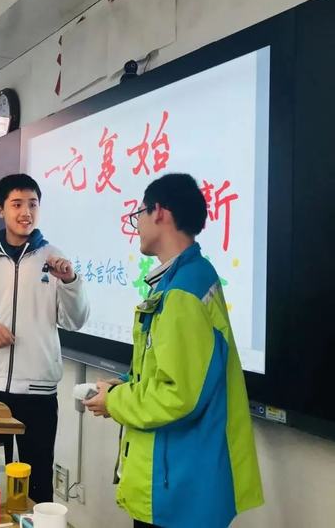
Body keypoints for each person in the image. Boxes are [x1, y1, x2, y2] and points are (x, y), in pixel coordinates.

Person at [84, 173, 263, 528]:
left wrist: (115, 402)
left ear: (159, 212)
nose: (136, 225)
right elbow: (175, 371)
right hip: (180, 474)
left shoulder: (182, 291)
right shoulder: (186, 277)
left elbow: (179, 395)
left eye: (138, 214)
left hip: (179, 483)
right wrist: (125, 385)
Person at [0, 173, 90, 503]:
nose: (26, 212)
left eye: (33, 204)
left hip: (39, 393)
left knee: (37, 483)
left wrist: (70, 281)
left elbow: (75, 320)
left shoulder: (53, 258)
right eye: (16, 204)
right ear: (1, 210)